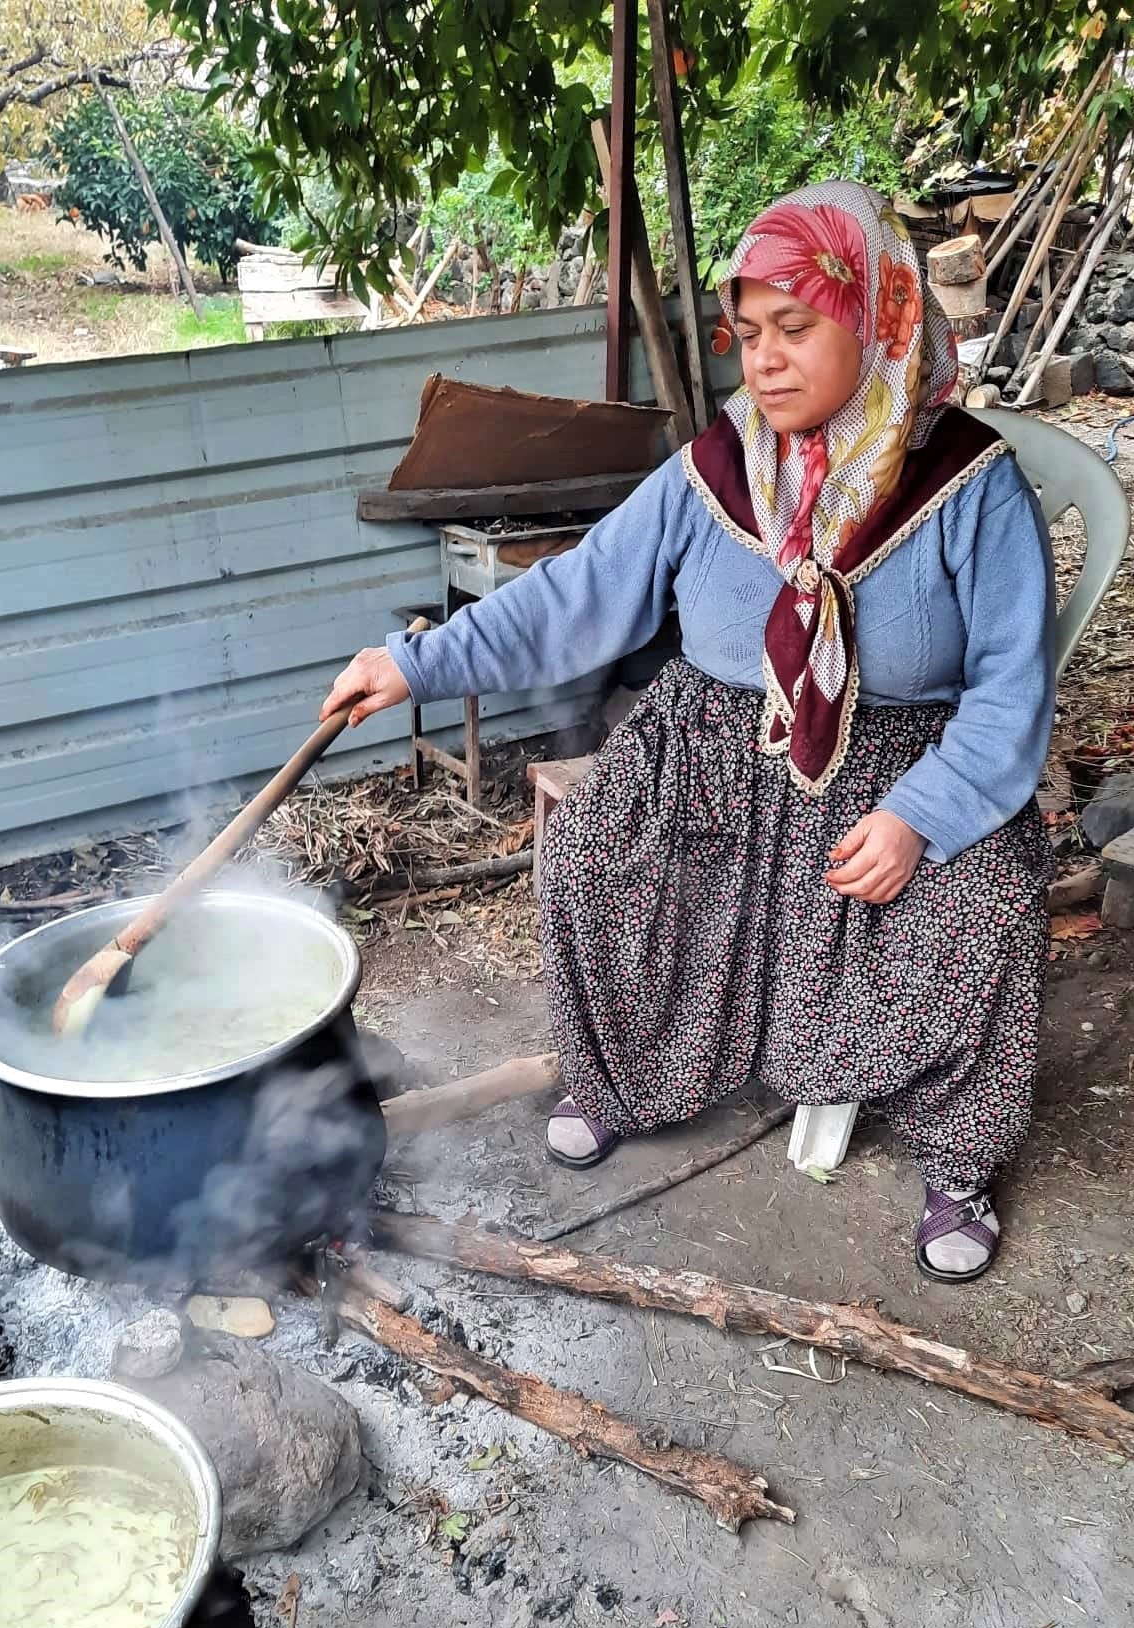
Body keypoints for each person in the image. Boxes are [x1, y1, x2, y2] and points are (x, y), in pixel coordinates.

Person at [321, 181, 1056, 1284]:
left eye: (796, 327)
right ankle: (620, 1073)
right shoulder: (716, 469)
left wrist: (921, 817)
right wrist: (413, 661)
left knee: (989, 896)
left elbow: (1012, 689)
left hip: (903, 766)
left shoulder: (968, 484)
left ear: (881, 319)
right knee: (593, 847)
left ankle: (958, 1155)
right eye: (748, 333)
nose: (762, 360)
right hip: (710, 746)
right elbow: (575, 596)